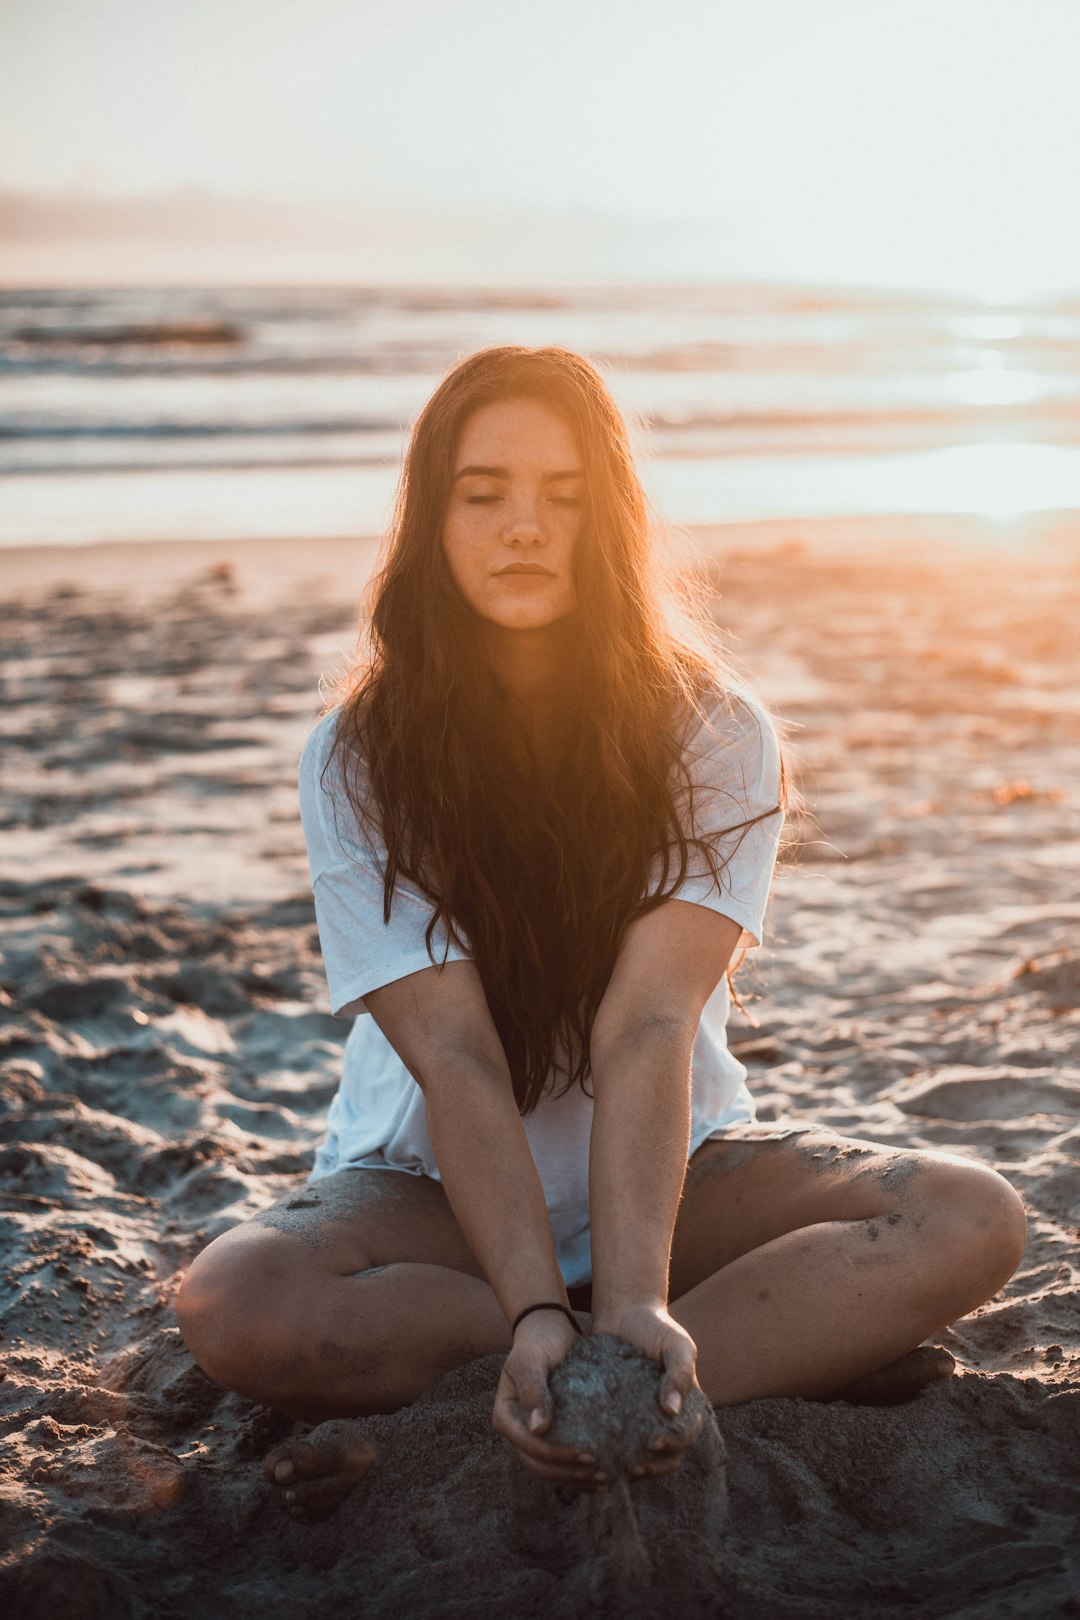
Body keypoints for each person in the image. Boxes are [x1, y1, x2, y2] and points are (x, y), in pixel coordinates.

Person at [177, 347, 1027, 1524]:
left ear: (612, 519)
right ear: (432, 518)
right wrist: (532, 1307)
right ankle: (641, 1367)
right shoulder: (358, 754)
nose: (525, 526)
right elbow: (457, 1055)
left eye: (564, 496)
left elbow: (651, 1021)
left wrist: (629, 1296)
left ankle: (595, 1378)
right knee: (237, 1304)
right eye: (484, 494)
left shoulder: (717, 732)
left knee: (970, 1215)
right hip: (430, 1196)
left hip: (676, 1187)